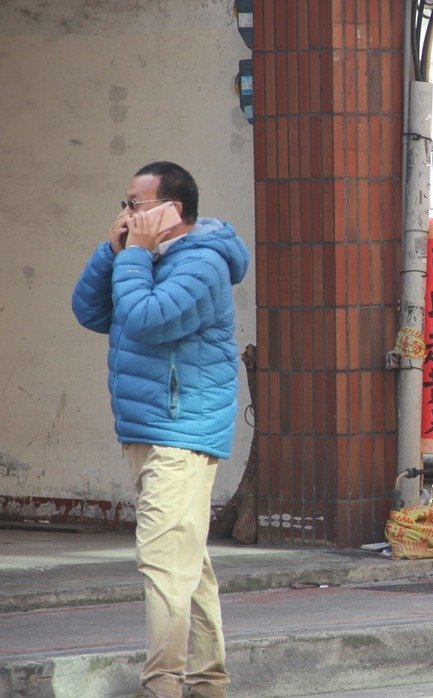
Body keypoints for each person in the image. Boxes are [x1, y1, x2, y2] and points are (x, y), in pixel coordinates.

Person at [71, 161, 249, 698]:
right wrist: (112, 251)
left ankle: (162, 685)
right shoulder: (144, 257)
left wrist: (130, 258)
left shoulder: (203, 263)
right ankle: (207, 682)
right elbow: (89, 310)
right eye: (126, 203)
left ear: (175, 209)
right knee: (186, 563)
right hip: (147, 430)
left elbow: (147, 318)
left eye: (138, 205)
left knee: (163, 561)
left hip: (180, 432)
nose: (128, 214)